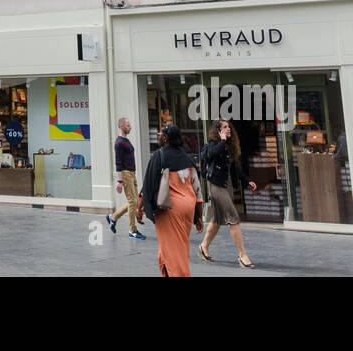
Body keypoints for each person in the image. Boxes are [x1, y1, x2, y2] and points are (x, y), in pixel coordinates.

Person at [139, 125, 201, 277]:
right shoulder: (187, 157)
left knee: (175, 255)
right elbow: (197, 188)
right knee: (171, 249)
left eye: (160, 133)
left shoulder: (159, 156)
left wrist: (139, 208)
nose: (158, 135)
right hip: (188, 208)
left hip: (169, 209)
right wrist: (198, 216)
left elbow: (148, 184)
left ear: (165, 138)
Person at [197, 119, 258, 268]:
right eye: (224, 127)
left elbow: (234, 168)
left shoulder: (229, 146)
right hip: (216, 185)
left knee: (217, 220)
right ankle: (243, 255)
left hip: (228, 185)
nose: (228, 129)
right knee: (233, 217)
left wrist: (246, 180)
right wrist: (222, 141)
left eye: (229, 127)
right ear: (217, 131)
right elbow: (211, 155)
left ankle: (203, 246)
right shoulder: (214, 143)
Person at [106, 116, 145, 240]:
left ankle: (113, 217)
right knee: (133, 202)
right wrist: (119, 181)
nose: (131, 127)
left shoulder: (126, 141)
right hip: (126, 174)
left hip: (132, 174)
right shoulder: (119, 143)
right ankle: (132, 230)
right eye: (128, 125)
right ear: (121, 126)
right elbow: (118, 163)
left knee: (134, 201)